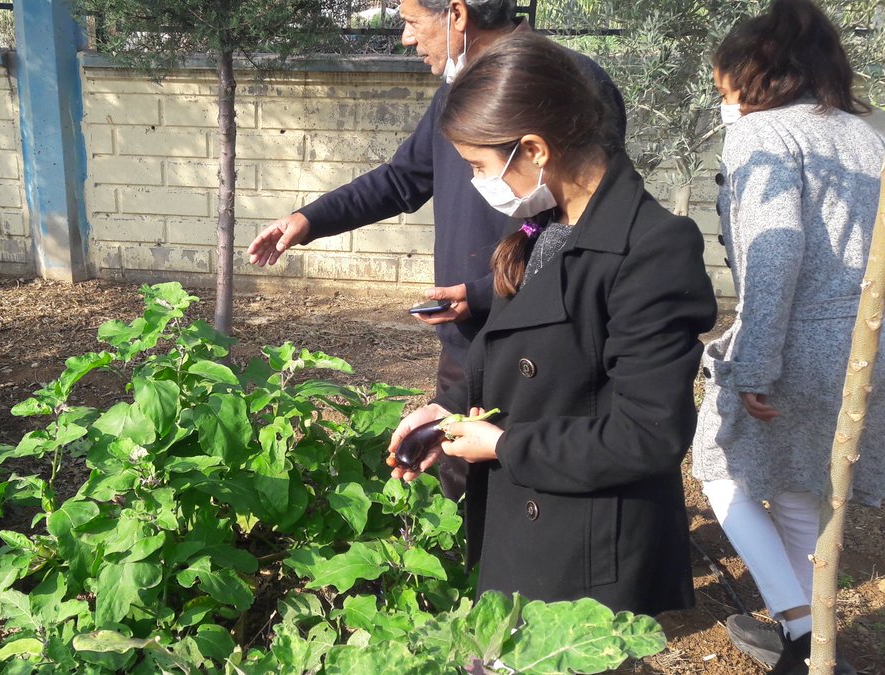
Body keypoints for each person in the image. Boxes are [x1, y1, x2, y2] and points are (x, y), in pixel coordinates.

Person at [386, 31, 717, 615]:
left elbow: (649, 435)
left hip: (587, 548)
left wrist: (503, 444)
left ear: (535, 150)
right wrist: (449, 414)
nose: (476, 183)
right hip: (531, 521)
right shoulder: (548, 225)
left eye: (479, 166)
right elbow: (519, 360)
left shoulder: (652, 248)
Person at [246, 0, 626, 501]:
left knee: (527, 491)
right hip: (466, 343)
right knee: (459, 489)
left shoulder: (566, 82)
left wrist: (486, 293)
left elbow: (586, 231)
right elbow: (403, 178)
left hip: (543, 343)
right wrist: (310, 219)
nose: (406, 38)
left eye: (410, 22)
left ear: (457, 13)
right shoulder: (461, 87)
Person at [691, 1, 885, 672]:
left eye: (722, 85)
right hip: (865, 344)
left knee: (719, 470)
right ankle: (814, 641)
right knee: (801, 486)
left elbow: (775, 254)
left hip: (796, 343)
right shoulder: (866, 132)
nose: (723, 100)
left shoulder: (762, 133)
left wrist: (754, 365)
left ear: (751, 74)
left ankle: (800, 634)